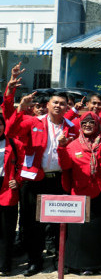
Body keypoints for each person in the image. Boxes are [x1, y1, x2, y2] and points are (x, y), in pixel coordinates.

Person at [8, 91, 80, 276]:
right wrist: (21, 108)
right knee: (33, 224)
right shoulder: (35, 122)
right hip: (34, 179)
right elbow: (11, 131)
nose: (58, 106)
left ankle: (59, 259)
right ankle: (35, 261)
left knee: (58, 223)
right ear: (48, 105)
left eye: (62, 103)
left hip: (59, 180)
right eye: (55, 102)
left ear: (67, 107)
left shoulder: (72, 127)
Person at [58, 112, 101, 274]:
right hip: (80, 194)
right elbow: (66, 165)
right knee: (80, 234)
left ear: (97, 124)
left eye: (91, 123)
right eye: (84, 123)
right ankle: (79, 265)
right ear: (80, 126)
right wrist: (61, 147)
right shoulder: (72, 145)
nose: (88, 125)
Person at [0, 114, 23, 276]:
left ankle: (4, 265)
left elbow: (24, 166)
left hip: (7, 187)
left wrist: (18, 180)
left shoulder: (15, 144)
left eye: (0, 124)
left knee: (6, 230)